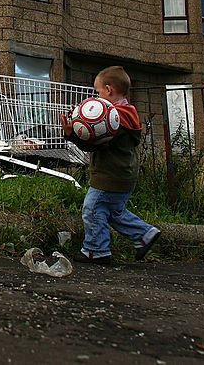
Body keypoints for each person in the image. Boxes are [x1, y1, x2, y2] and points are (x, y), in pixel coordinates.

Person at [60, 66, 161, 265]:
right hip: (124, 174)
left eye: (97, 91)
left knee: (92, 208)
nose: (96, 96)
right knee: (114, 213)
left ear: (108, 90)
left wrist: (73, 133)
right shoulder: (128, 113)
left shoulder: (113, 117)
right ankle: (144, 234)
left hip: (109, 175)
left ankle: (95, 250)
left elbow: (95, 144)